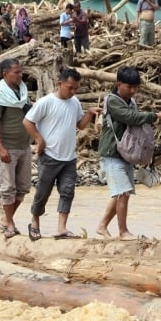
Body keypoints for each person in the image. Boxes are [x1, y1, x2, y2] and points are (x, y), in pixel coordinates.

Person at [23, 67, 101, 240]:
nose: (73, 91)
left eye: (76, 88)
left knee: (67, 191)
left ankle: (61, 228)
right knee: (43, 191)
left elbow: (80, 125)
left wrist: (89, 113)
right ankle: (35, 222)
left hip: (69, 157)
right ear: (59, 84)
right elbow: (27, 121)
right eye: (70, 87)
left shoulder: (75, 103)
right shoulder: (46, 102)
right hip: (50, 155)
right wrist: (39, 139)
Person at [95, 66, 161, 241]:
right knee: (123, 193)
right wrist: (155, 116)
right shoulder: (113, 101)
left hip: (124, 153)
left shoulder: (130, 101)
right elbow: (130, 118)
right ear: (118, 84)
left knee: (122, 192)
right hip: (112, 152)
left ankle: (102, 226)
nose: (133, 91)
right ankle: (123, 232)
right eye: (130, 87)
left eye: (136, 87)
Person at [0, 58, 32, 238]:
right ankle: (9, 222)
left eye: (21, 72)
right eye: (16, 72)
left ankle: (6, 219)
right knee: (8, 187)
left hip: (24, 144)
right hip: (8, 146)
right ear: (5, 74)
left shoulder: (22, 91)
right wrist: (0, 147)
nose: (20, 75)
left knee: (23, 187)